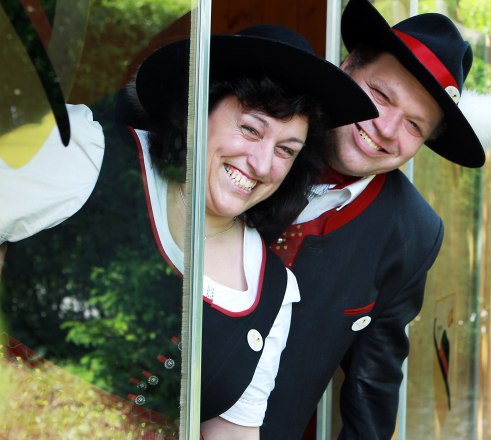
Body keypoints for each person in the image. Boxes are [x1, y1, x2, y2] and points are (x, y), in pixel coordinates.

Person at [0, 25, 376, 438]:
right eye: (250, 129)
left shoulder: (273, 291)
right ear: (194, 110)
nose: (263, 163)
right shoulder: (86, 156)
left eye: (286, 150)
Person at [261, 1, 491, 439]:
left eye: (414, 126)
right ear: (347, 66)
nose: (386, 129)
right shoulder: (257, 130)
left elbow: (374, 382)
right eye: (382, 95)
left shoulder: (413, 234)